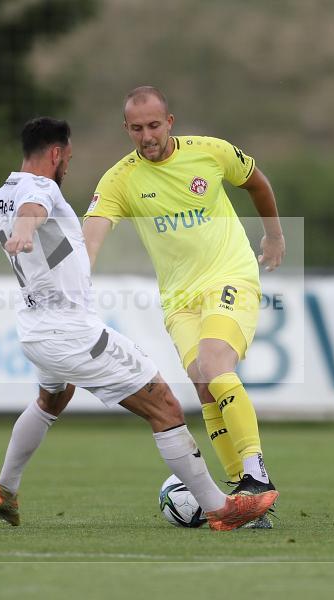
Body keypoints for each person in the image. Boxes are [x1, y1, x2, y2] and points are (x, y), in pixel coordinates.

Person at [0, 116, 277, 531]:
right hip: (74, 333)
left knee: (50, 401)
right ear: (56, 153)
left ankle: (4, 489)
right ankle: (221, 508)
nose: (68, 165)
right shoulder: (40, 189)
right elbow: (32, 211)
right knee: (165, 406)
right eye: (68, 157)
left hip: (34, 331)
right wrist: (24, 231)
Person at [82, 87, 285, 528]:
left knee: (213, 364)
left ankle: (256, 475)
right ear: (126, 129)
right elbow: (92, 233)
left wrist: (273, 235)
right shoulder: (120, 179)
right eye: (137, 128)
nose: (147, 136)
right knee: (203, 385)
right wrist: (80, 274)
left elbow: (256, 181)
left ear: (169, 122)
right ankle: (245, 502)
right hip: (178, 299)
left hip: (230, 276)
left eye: (154, 125)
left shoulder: (210, 152)